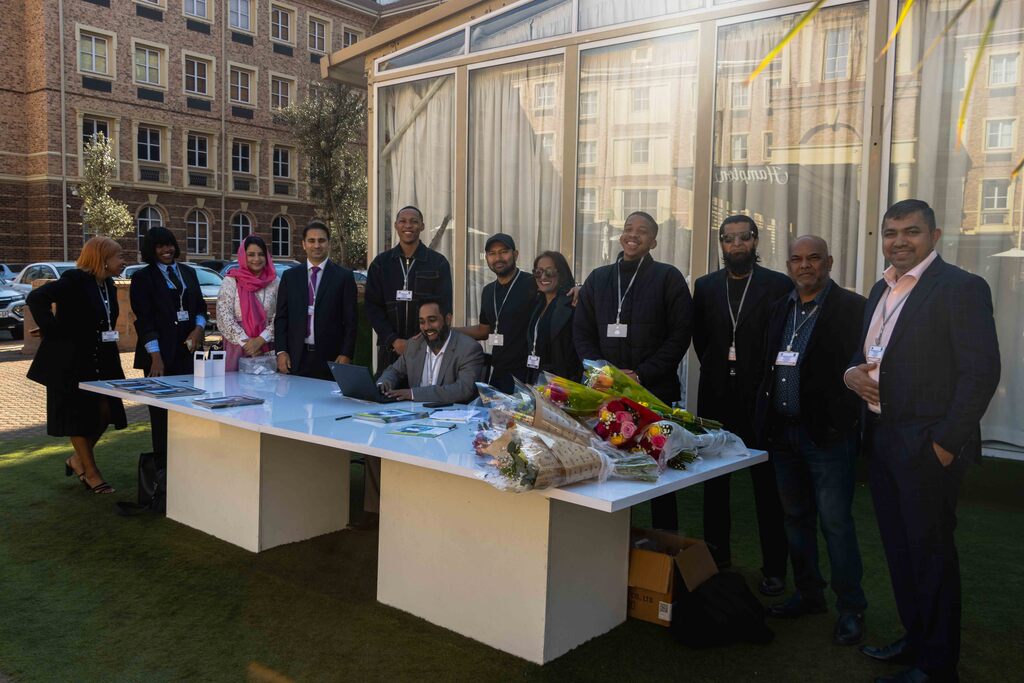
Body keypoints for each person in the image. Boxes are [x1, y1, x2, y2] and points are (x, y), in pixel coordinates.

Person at [845, 200, 1000, 683]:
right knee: (900, 550)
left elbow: (980, 373)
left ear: (934, 236)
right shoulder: (881, 288)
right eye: (891, 232)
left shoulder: (961, 288)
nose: (899, 241)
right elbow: (867, 354)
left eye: (911, 231)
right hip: (883, 439)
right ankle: (915, 639)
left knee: (931, 555)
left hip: (928, 444)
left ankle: (937, 665)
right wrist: (851, 374)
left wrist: (945, 445)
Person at [753, 235, 867, 645]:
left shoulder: (853, 308)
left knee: (835, 523)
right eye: (797, 259)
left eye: (814, 258)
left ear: (829, 262)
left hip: (827, 436)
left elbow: (863, 364)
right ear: (788, 266)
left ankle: (851, 607)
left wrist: (842, 420)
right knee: (795, 519)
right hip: (783, 434)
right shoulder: (779, 307)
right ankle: (808, 594)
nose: (805, 265)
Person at [692, 214, 792, 595]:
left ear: (755, 241)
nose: (736, 245)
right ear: (721, 244)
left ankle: (774, 568)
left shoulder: (778, 285)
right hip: (717, 395)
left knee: (767, 486)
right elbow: (701, 339)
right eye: (728, 239)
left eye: (743, 237)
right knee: (714, 483)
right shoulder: (705, 286)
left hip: (760, 397)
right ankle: (716, 558)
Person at [574, 211, 692, 531]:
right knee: (608, 467)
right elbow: (582, 333)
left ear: (653, 241)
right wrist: (604, 374)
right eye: (628, 229)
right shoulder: (598, 278)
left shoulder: (668, 278)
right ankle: (610, 539)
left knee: (659, 470)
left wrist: (641, 375)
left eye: (642, 231)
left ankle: (664, 541)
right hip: (606, 393)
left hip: (654, 391)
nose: (633, 235)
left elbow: (680, 334)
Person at [26, 236, 129, 494]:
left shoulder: (108, 284)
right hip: (71, 361)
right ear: (102, 259)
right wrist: (52, 329)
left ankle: (77, 460)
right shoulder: (74, 280)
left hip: (102, 357)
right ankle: (91, 472)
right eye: (118, 256)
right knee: (78, 417)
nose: (123, 261)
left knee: (107, 411)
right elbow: (37, 297)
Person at [130, 226, 207, 457]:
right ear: (151, 249)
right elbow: (144, 320)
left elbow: (201, 307)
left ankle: (189, 459)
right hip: (159, 356)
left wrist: (198, 329)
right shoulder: (143, 278)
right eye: (161, 246)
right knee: (162, 415)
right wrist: (156, 357)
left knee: (190, 408)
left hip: (188, 352)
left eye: (170, 244)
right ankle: (162, 466)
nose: (167, 250)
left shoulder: (188, 272)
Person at [364, 206, 453, 373]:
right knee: (386, 387)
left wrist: (421, 341)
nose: (408, 226)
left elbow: (445, 308)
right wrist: (393, 340)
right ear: (396, 225)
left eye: (414, 221)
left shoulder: (438, 263)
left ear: (422, 226)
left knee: (423, 390)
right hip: (390, 350)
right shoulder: (381, 264)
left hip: (427, 350)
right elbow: (372, 307)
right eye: (403, 221)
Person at [275, 221, 358, 381]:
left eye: (321, 240)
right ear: (304, 244)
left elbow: (351, 321)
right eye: (311, 241)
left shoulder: (343, 277)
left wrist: (346, 353)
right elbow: (281, 318)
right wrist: (281, 351)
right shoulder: (290, 277)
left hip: (331, 357)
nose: (317, 245)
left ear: (328, 243)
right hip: (295, 357)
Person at [458, 233, 537, 395]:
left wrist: (577, 290)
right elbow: (483, 330)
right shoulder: (488, 291)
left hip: (528, 374)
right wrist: (449, 331)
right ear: (486, 258)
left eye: (503, 252)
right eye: (492, 254)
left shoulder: (532, 284)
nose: (498, 258)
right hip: (499, 373)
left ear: (515, 254)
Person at [377, 299, 485, 404]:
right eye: (422, 322)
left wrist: (413, 394)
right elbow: (394, 371)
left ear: (448, 319)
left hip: (451, 413)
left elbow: (463, 389)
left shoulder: (468, 349)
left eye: (432, 320)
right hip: (414, 412)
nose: (427, 327)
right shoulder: (414, 345)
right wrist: (383, 384)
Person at [217, 235, 278, 372]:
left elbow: (281, 314)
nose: (256, 259)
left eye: (261, 254)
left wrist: (261, 340)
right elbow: (224, 316)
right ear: (243, 256)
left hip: (267, 345)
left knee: (267, 382)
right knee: (236, 384)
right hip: (237, 345)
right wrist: (248, 343)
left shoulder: (275, 282)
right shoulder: (231, 280)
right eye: (251, 255)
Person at [525, 251, 580, 384]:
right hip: (535, 377)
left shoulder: (573, 303)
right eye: (538, 272)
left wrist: (581, 288)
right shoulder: (537, 303)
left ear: (561, 274)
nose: (543, 276)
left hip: (562, 381)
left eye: (549, 272)